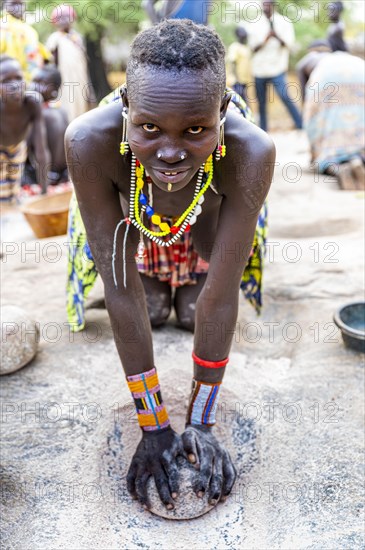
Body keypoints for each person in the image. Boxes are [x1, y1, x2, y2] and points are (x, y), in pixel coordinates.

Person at [65, 20, 275, 510]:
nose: (172, 149)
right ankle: (162, 272)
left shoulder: (250, 152)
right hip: (131, 218)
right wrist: (154, 424)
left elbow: (219, 297)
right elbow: (121, 291)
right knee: (152, 309)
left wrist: (201, 423)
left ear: (223, 111)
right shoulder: (89, 144)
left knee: (200, 288)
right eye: (149, 127)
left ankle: (188, 258)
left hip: (209, 217)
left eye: (197, 129)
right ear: (125, 111)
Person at [302, 50, 365, 190]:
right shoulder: (350, 58)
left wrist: (314, 152)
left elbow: (308, 109)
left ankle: (337, 169)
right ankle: (357, 159)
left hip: (326, 82)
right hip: (361, 76)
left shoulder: (306, 62)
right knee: (360, 143)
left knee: (326, 156)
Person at [0, 55, 51, 202]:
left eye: (18, 78)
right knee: (3, 196)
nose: (14, 85)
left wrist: (44, 191)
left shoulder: (32, 103)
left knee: (13, 193)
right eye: (5, 81)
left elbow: (41, 150)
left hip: (18, 148)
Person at [246, 0, 302, 132]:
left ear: (273, 5)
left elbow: (290, 45)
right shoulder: (254, 24)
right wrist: (265, 40)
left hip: (278, 68)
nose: (266, 7)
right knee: (261, 102)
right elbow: (252, 48)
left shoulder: (284, 22)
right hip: (259, 69)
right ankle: (263, 130)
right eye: (264, 4)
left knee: (285, 96)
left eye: (268, 4)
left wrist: (277, 36)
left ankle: (300, 124)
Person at [46, 3, 94, 121]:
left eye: (67, 16)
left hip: (80, 83)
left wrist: (89, 90)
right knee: (66, 113)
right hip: (64, 84)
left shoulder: (77, 38)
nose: (64, 20)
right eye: (60, 17)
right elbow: (51, 65)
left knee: (81, 113)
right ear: (55, 21)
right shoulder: (55, 39)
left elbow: (84, 66)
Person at [23, 65, 69, 186]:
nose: (33, 87)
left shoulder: (40, 115)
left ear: (54, 90)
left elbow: (24, 152)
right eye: (33, 81)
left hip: (44, 179)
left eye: (41, 83)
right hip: (63, 177)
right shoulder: (62, 110)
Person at [0, 0, 43, 82]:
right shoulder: (2, 27)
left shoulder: (30, 31)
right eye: (14, 4)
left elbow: (36, 58)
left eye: (21, 4)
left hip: (29, 81)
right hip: (5, 82)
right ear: (5, 5)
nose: (18, 8)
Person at [226, 25, 252, 105]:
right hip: (237, 81)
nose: (244, 34)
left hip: (244, 81)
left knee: (244, 101)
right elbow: (233, 63)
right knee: (240, 102)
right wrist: (236, 79)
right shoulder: (235, 47)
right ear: (237, 34)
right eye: (241, 32)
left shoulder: (246, 48)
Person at [142, 0, 212, 25]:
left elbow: (205, 18)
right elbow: (147, 3)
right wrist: (158, 27)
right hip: (172, 37)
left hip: (197, 40)